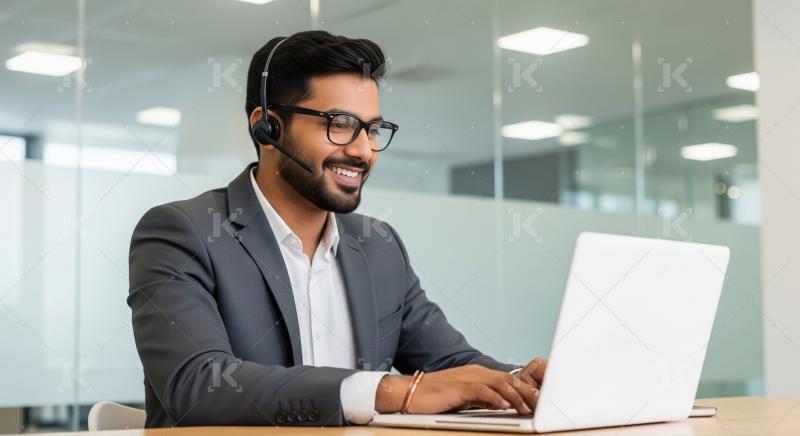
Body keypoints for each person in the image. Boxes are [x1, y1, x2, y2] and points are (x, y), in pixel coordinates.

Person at [128, 30, 547, 428]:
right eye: (341, 124)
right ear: (268, 126)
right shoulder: (184, 232)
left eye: (373, 129)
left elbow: (452, 365)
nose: (363, 150)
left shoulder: (378, 245)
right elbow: (199, 385)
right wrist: (393, 392)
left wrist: (528, 381)